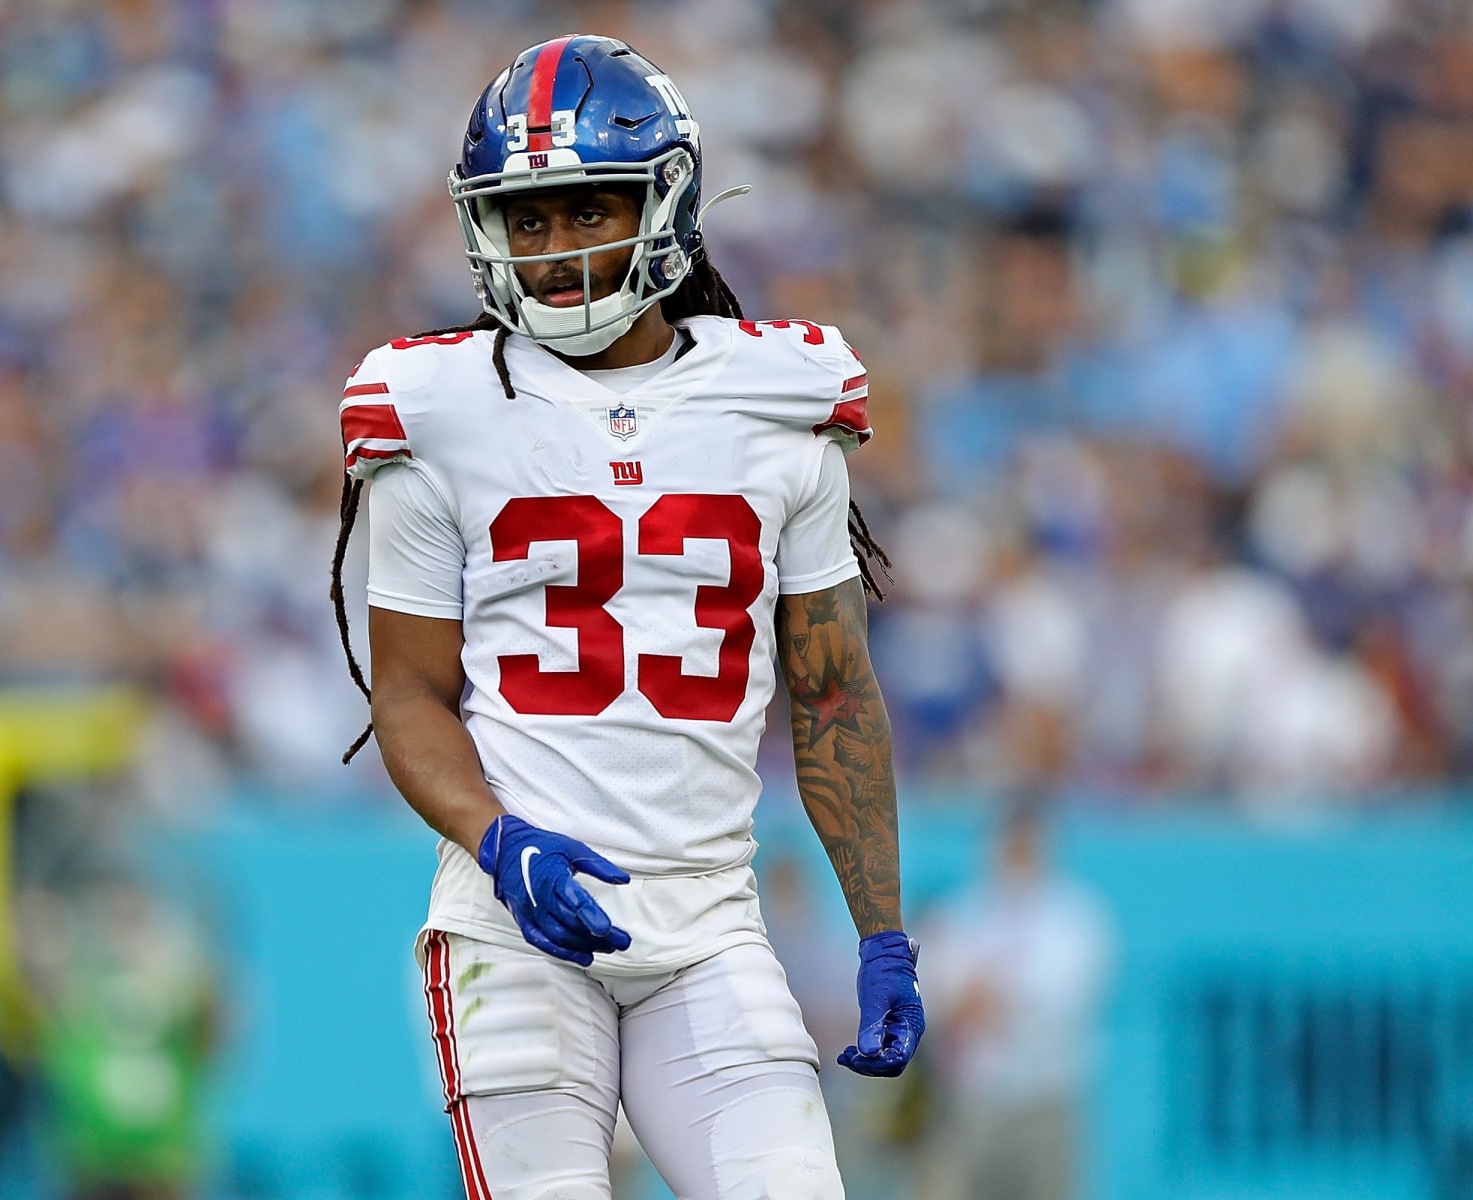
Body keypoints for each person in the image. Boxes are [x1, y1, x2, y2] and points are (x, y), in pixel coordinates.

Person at [330, 35, 924, 1200]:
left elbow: (834, 689)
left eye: (586, 208)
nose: (556, 253)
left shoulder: (780, 397)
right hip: (514, 926)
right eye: (529, 220)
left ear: (668, 201)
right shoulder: (434, 407)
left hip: (707, 927)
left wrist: (881, 931)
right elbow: (405, 695)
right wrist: (502, 843)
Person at [915, 797, 1115, 1200]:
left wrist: (986, 999)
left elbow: (1060, 998)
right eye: (1010, 839)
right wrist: (970, 1002)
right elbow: (931, 989)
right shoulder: (965, 911)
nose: (1017, 850)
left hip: (1046, 1099)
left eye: (1027, 840)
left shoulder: (1074, 915)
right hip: (971, 1101)